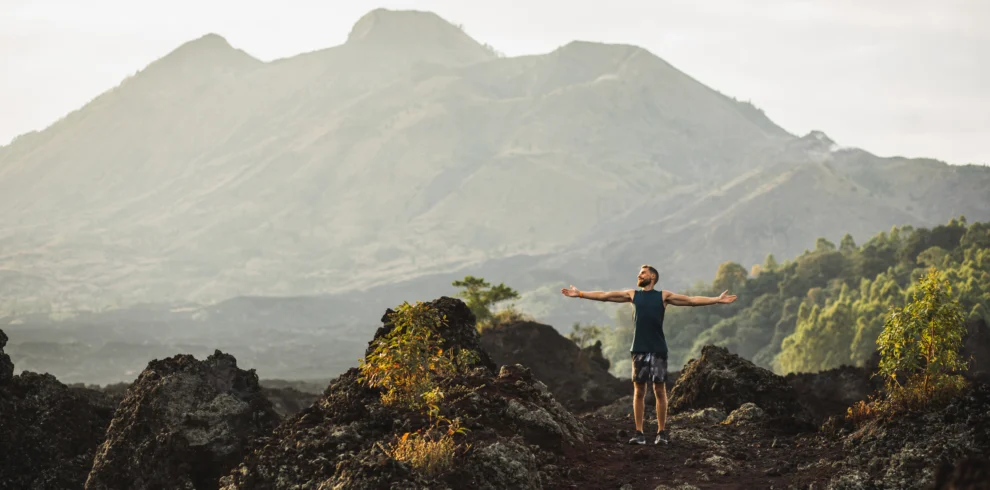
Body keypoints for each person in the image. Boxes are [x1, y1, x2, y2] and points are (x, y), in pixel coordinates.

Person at [561, 264, 737, 445]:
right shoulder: (633, 295)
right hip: (638, 349)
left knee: (660, 390)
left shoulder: (663, 296)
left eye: (643, 273)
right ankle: (639, 433)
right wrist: (580, 294)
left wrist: (716, 299)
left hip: (658, 349)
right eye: (639, 273)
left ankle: (661, 433)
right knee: (639, 391)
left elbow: (691, 300)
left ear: (652, 276)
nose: (639, 275)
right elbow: (605, 296)